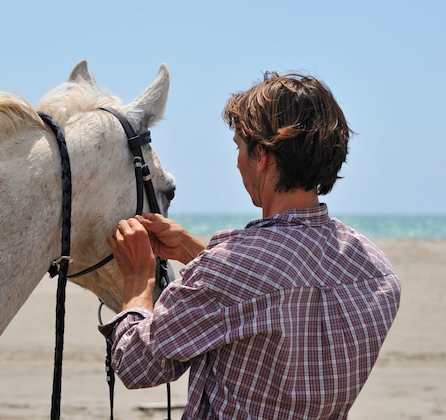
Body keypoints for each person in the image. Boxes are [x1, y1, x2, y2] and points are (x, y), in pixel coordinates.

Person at [99, 72, 402, 419]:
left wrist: (139, 278)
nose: (238, 161)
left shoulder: (230, 270)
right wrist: (191, 251)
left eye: (240, 148)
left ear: (262, 156)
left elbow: (137, 364)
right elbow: (277, 292)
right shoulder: (377, 272)